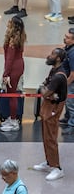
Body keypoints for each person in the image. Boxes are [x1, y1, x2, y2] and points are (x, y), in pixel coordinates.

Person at [32, 47, 67, 182]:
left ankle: (57, 168)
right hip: (48, 106)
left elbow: (45, 92)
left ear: (58, 58)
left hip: (53, 108)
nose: (49, 56)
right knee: (46, 137)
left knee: (51, 138)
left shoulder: (59, 76)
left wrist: (46, 92)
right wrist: (46, 91)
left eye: (52, 54)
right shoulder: (54, 70)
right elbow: (44, 86)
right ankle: (49, 162)